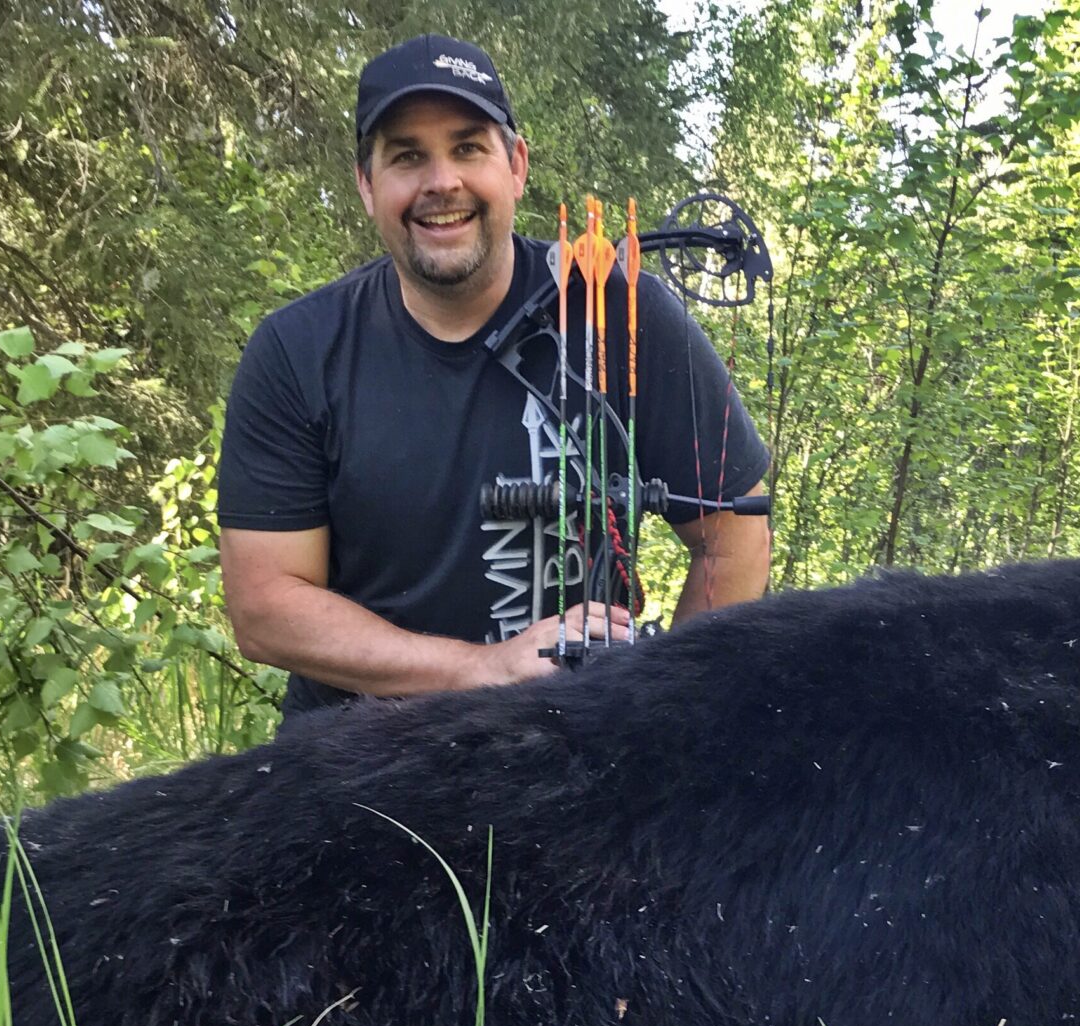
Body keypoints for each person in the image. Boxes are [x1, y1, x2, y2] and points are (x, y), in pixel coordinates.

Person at [216, 34, 772, 720]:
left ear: (516, 165)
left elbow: (736, 534)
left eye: (468, 147)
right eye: (407, 156)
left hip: (575, 750)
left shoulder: (620, 310)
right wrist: (478, 670)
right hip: (356, 763)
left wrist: (660, 721)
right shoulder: (296, 352)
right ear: (366, 184)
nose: (441, 181)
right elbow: (265, 606)